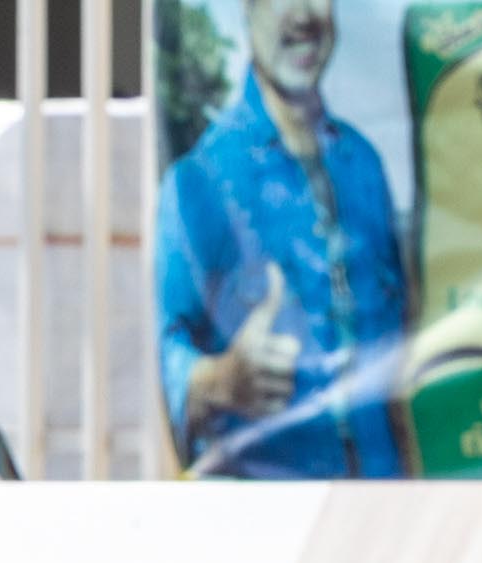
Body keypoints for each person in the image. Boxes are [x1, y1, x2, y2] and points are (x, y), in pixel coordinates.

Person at [164, 0, 410, 480]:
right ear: (246, 10)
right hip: (265, 519)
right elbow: (167, 344)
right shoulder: (199, 178)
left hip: (382, 510)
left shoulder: (364, 164)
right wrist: (219, 381)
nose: (304, 15)